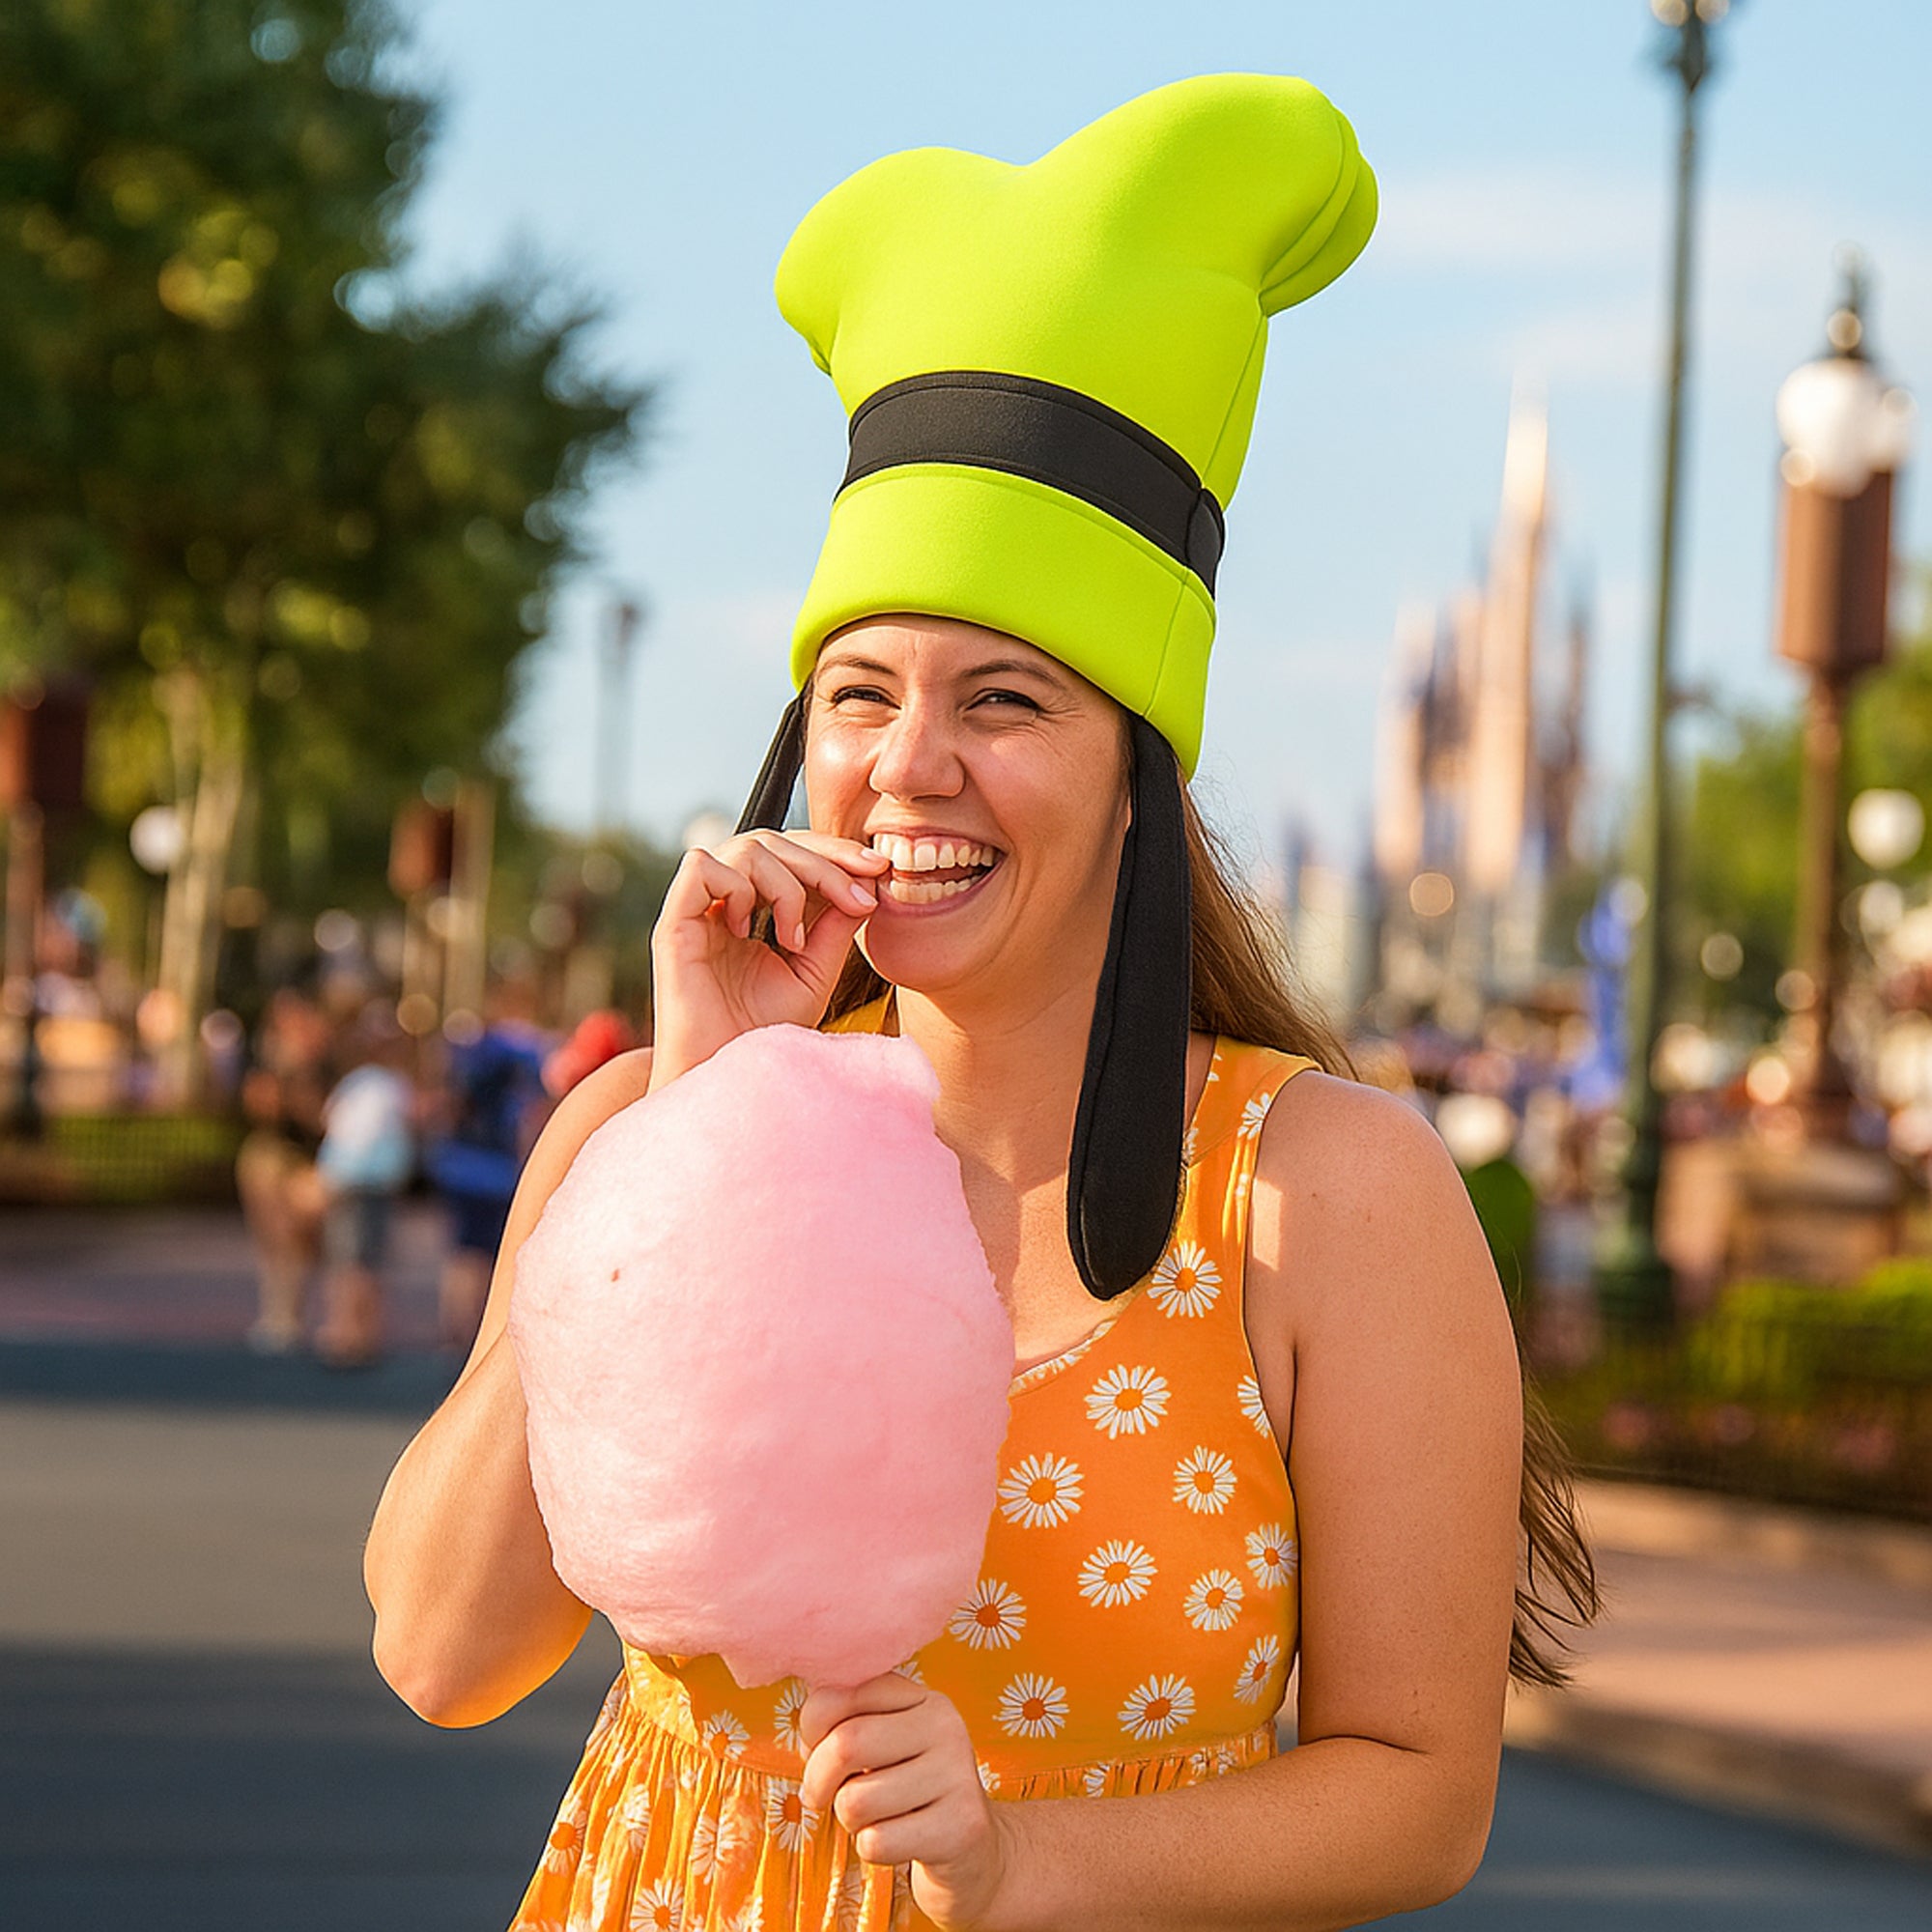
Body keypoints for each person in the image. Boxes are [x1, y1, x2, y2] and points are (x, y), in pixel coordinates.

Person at [365, 75, 1595, 1930]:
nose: (909, 765)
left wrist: (1022, 1859)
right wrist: (693, 1141)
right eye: (860, 694)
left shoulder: (1326, 1197)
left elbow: (1419, 1797)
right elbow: (442, 1650)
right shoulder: (641, 1135)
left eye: (1006, 701)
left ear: (1134, 773)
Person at [423, 978, 551, 1350]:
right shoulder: (527, 1050)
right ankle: (478, 1335)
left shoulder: (473, 1047)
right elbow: (536, 1110)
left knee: (463, 1251)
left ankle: (453, 1328)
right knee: (492, 1257)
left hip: (459, 1163)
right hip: (497, 1169)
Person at [312, 1006, 418, 1368]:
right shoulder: (391, 1087)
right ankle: (361, 1332)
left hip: (349, 1180)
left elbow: (333, 1123)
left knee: (348, 1259)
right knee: (364, 1260)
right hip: (371, 1182)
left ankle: (345, 1332)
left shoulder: (357, 1083)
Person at [235, 986, 335, 1353]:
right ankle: (279, 1313)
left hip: (305, 1158)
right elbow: (257, 1106)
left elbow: (323, 1114)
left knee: (307, 1240)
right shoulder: (267, 1059)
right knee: (273, 1239)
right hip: (270, 1153)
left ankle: (308, 1313)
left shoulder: (321, 1063)